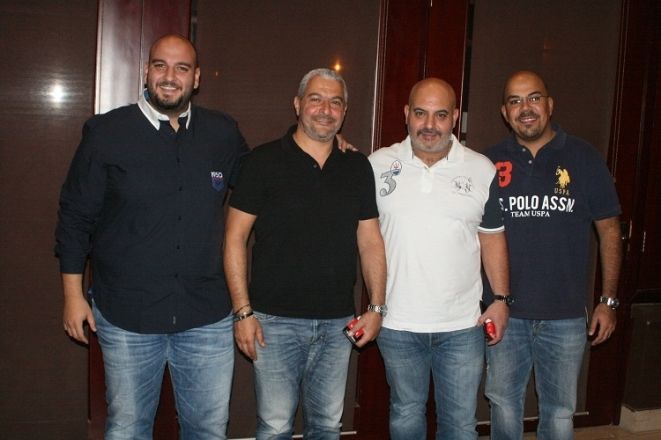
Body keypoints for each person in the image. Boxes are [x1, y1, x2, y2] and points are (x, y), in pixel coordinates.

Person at [55, 34, 249, 439]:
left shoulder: (222, 133)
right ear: (146, 71)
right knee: (128, 429)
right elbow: (75, 217)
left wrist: (320, 143)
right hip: (128, 316)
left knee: (209, 430)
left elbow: (264, 183)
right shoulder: (106, 132)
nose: (169, 76)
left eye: (182, 68)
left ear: (196, 78)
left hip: (206, 315)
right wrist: (73, 295)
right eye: (160, 65)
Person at [223, 68, 387, 440]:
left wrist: (376, 308)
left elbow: (370, 241)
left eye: (335, 102)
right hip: (273, 322)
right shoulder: (262, 162)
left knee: (328, 427)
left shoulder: (356, 166)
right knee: (275, 426)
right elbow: (234, 238)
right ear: (297, 104)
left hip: (337, 324)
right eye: (316, 99)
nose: (325, 110)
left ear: (344, 112)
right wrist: (242, 312)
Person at [368, 78, 510, 440]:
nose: (429, 124)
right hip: (397, 323)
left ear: (455, 118)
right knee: (405, 414)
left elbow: (492, 238)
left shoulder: (481, 168)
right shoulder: (375, 165)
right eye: (420, 113)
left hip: (462, 325)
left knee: (460, 424)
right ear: (406, 114)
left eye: (441, 115)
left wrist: (500, 299)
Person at [484, 70, 622, 440]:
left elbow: (610, 230)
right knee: (503, 405)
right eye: (515, 101)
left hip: (565, 318)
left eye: (533, 98)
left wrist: (608, 300)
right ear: (504, 112)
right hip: (505, 314)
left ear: (549, 104)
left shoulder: (584, 158)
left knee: (560, 414)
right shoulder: (487, 162)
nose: (525, 108)